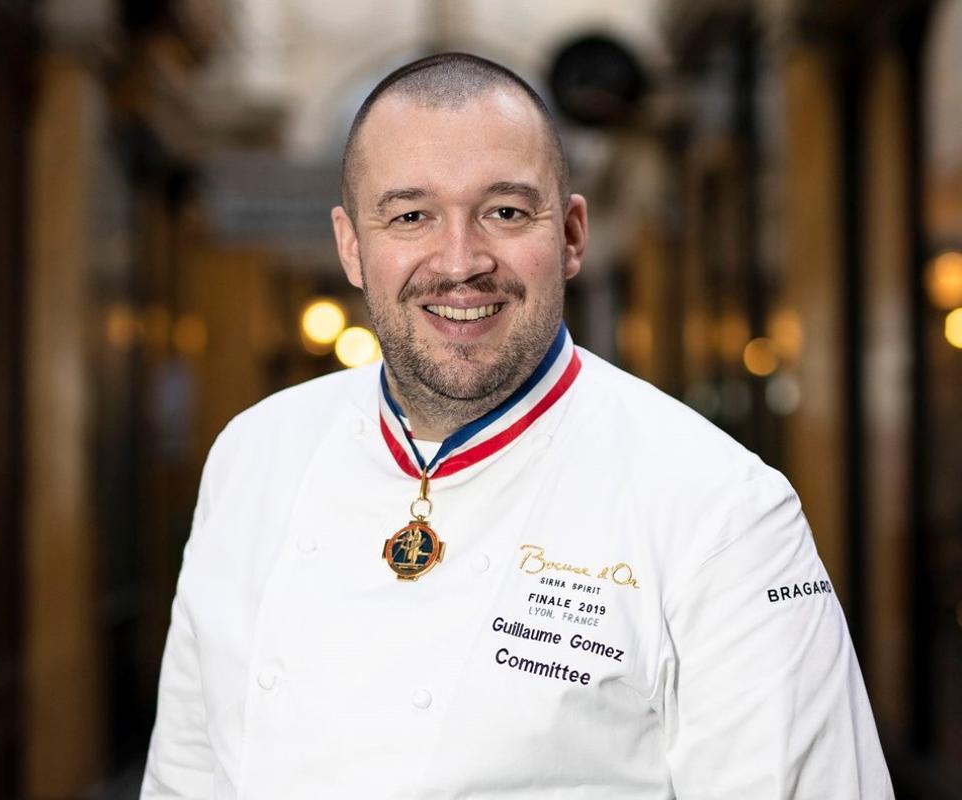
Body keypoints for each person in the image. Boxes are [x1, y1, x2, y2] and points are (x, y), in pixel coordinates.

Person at [140, 52, 893, 799]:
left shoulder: (722, 511)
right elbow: (185, 775)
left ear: (569, 235)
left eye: (504, 211)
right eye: (411, 215)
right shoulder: (253, 453)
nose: (461, 262)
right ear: (351, 246)